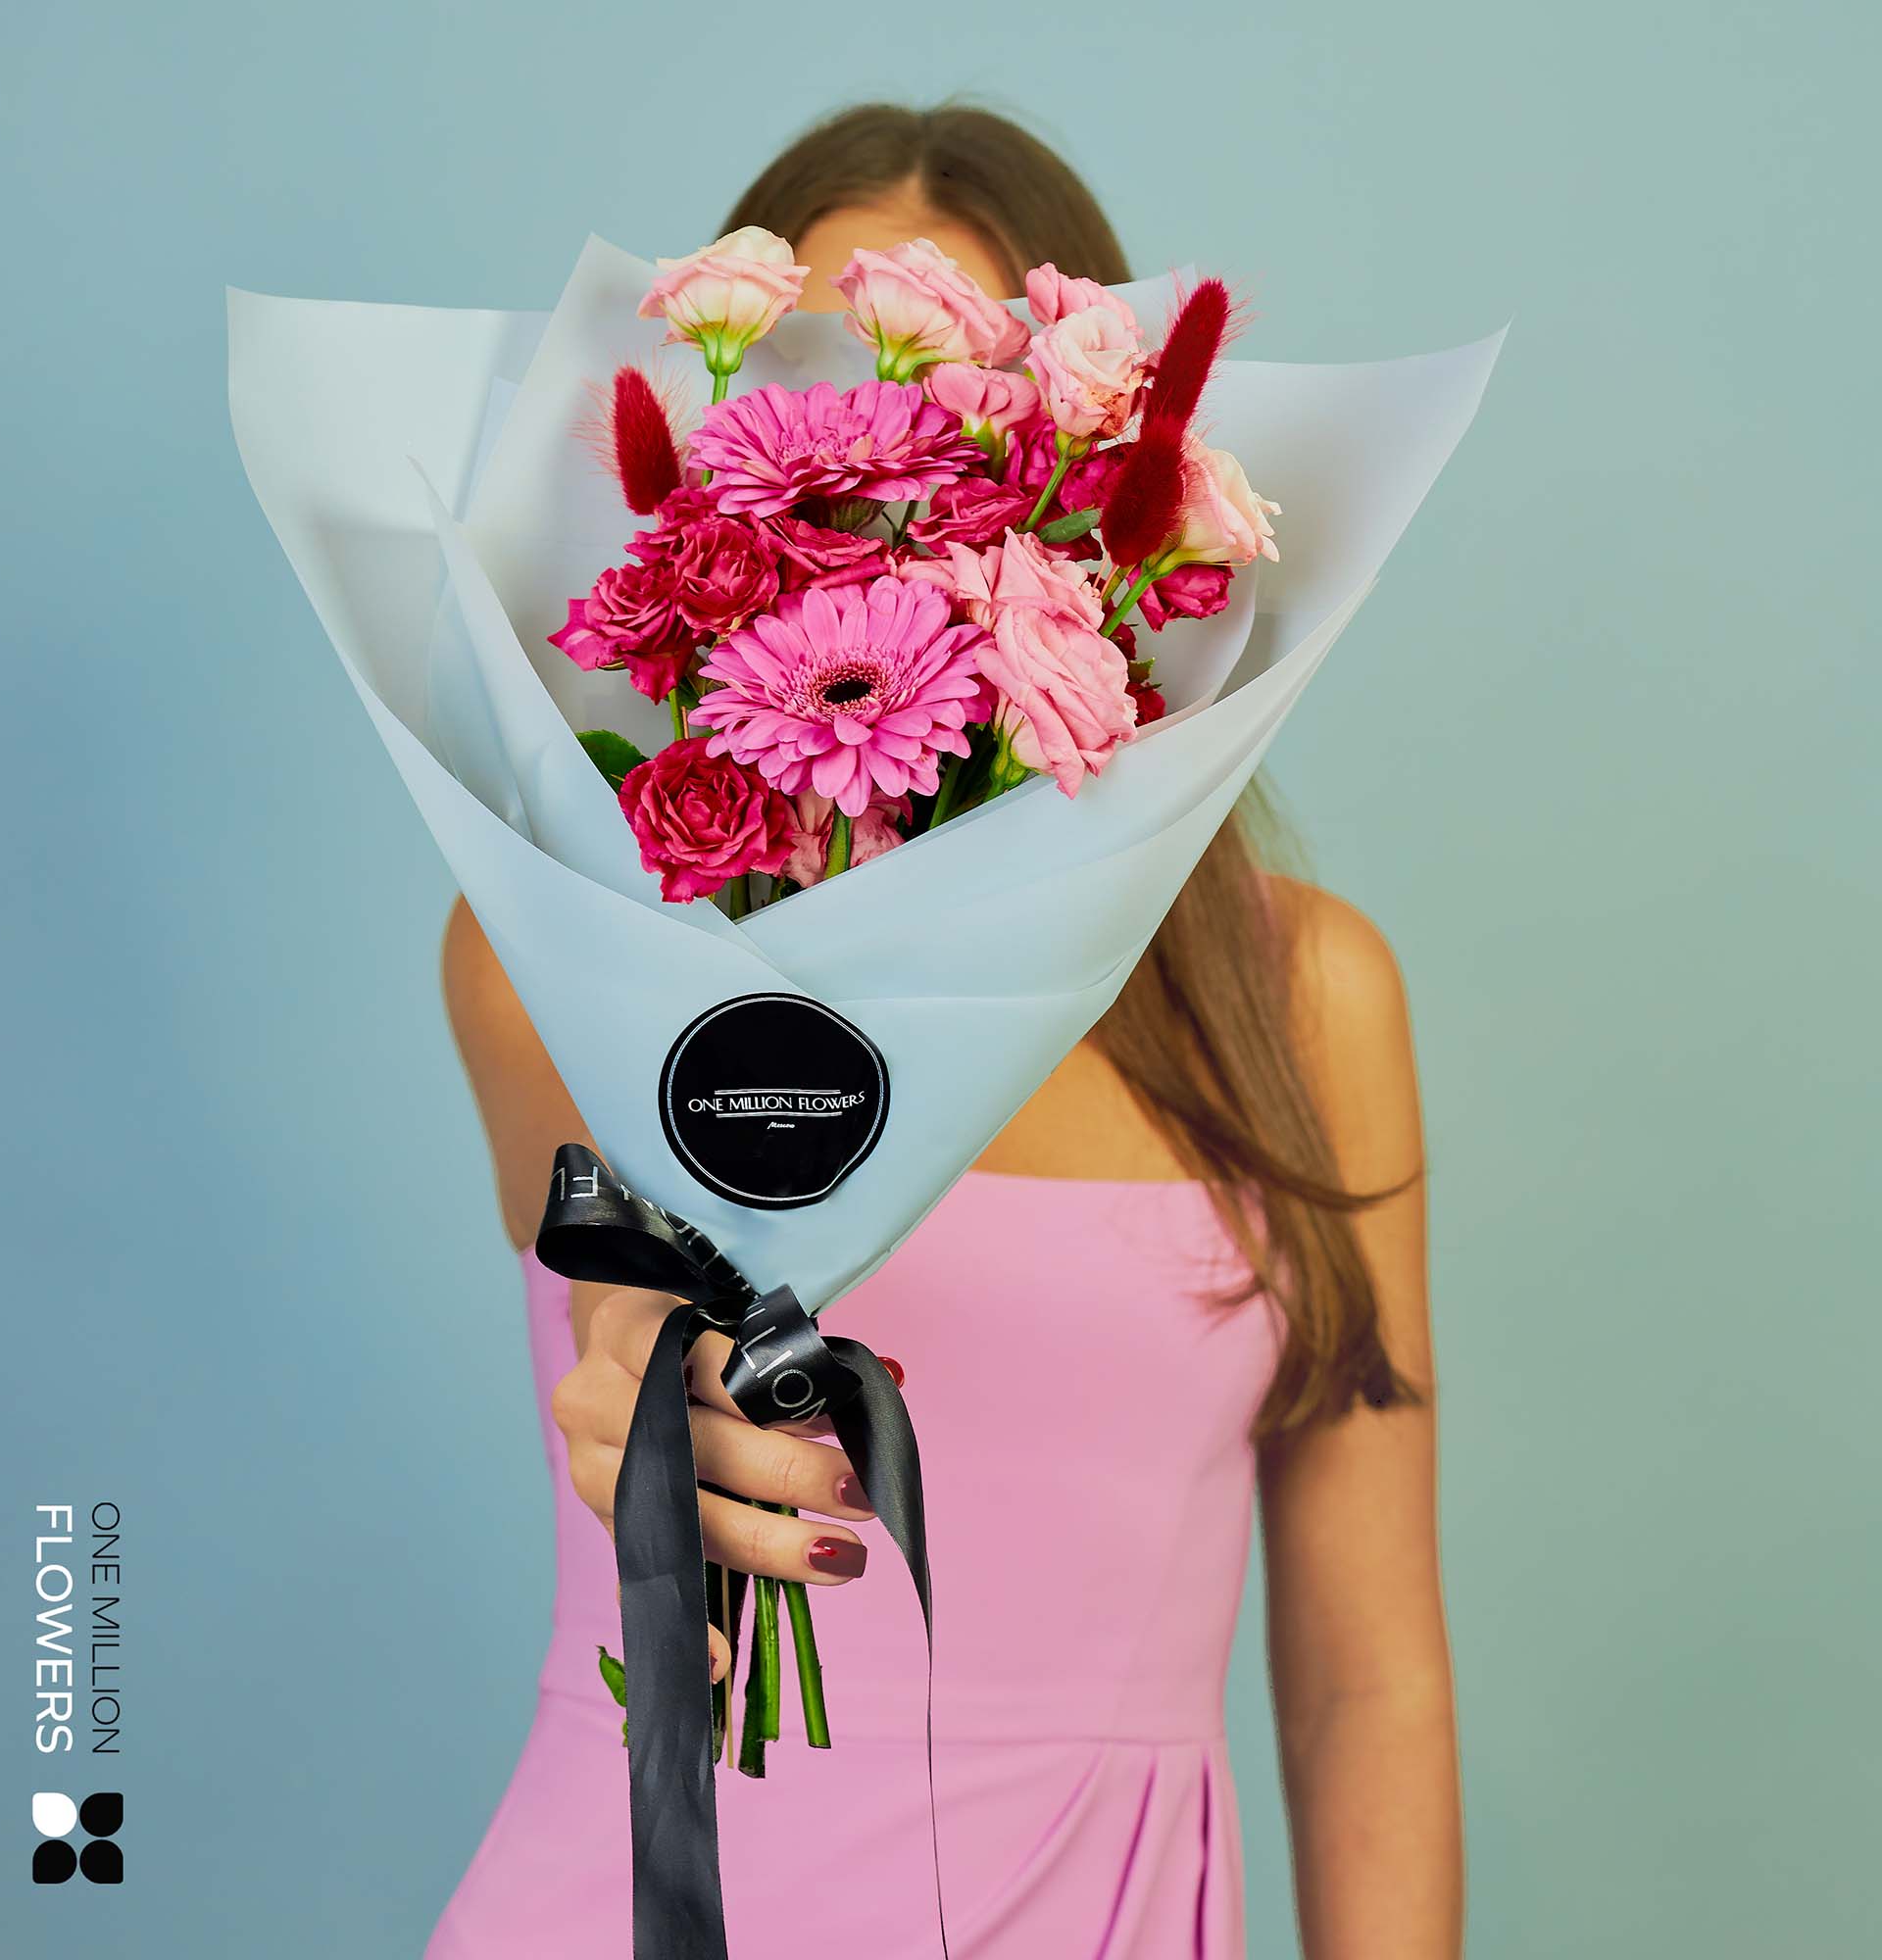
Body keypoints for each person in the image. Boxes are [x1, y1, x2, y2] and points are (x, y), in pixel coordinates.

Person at [430, 102, 1462, 1960]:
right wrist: (636, 1370)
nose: (888, 479)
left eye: (964, 415)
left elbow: (1366, 1686)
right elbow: (623, 1308)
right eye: (828, 396)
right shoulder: (551, 958)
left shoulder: (1303, 997)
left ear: (1097, 482)